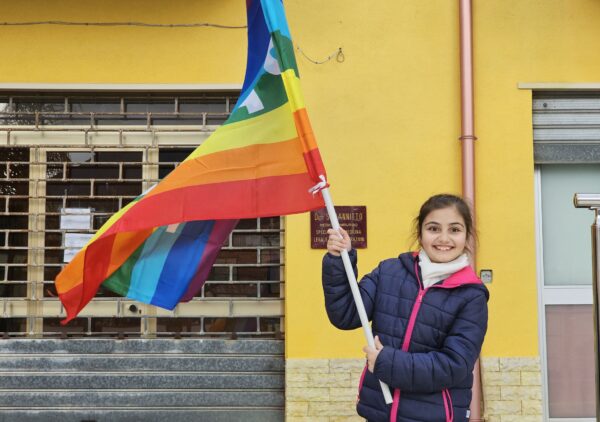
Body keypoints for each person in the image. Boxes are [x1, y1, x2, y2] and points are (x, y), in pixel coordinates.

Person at [322, 194, 489, 422]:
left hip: (435, 416)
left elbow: (454, 365)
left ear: (467, 236)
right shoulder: (389, 271)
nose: (443, 238)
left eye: (454, 230)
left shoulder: (471, 294)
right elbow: (347, 314)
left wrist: (386, 362)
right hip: (380, 412)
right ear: (420, 233)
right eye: (433, 228)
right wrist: (339, 261)